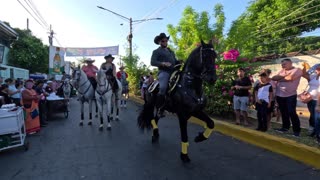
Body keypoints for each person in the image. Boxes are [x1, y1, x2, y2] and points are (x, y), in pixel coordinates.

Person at [150, 32, 180, 116]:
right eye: (163, 41)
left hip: (174, 71)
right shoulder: (156, 51)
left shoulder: (171, 52)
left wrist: (180, 61)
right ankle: (159, 108)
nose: (165, 42)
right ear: (159, 42)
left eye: (166, 41)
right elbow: (152, 62)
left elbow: (175, 61)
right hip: (164, 72)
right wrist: (163, 63)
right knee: (163, 87)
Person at [271, 58, 303, 137]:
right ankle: (285, 127)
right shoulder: (282, 71)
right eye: (282, 64)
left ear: (290, 63)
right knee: (283, 112)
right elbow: (274, 78)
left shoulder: (297, 70)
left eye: (284, 64)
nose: (283, 66)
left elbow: (290, 78)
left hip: (290, 95)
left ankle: (296, 131)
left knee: (292, 112)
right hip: (280, 95)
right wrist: (284, 76)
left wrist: (280, 78)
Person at [302, 63, 320, 136]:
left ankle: (316, 132)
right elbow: (304, 75)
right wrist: (304, 67)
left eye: (318, 68)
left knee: (317, 117)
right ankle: (313, 130)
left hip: (317, 100)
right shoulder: (313, 76)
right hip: (310, 99)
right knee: (312, 115)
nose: (316, 69)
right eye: (317, 68)